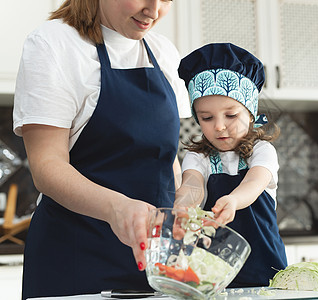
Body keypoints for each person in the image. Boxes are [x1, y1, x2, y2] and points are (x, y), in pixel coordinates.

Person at [12, 0, 190, 299]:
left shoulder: (163, 52)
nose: (154, 10)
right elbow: (47, 166)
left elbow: (166, 159)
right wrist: (118, 209)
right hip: (75, 258)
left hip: (157, 263)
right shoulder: (54, 44)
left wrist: (183, 211)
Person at [176, 43, 288, 287]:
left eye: (230, 115)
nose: (218, 126)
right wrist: (183, 207)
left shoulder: (262, 152)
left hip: (266, 271)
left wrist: (234, 201)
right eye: (206, 118)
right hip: (213, 275)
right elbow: (192, 184)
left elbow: (254, 181)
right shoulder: (199, 158)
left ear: (250, 113)